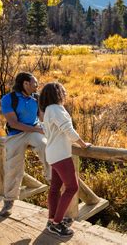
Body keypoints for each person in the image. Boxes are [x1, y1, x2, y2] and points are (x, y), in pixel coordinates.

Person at [39, 82, 91, 237]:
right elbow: (68, 130)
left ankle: (51, 220)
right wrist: (83, 144)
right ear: (57, 94)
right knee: (72, 188)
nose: (65, 93)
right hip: (61, 155)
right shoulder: (56, 108)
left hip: (53, 154)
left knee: (55, 188)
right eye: (63, 91)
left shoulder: (47, 110)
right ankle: (56, 224)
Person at [0, 72, 51, 216]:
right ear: (25, 84)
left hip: (34, 132)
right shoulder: (8, 99)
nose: (37, 85)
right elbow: (13, 123)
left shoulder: (37, 98)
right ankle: (9, 201)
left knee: (44, 146)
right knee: (13, 166)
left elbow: (42, 117)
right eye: (35, 83)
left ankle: (51, 178)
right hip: (16, 134)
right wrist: (36, 129)